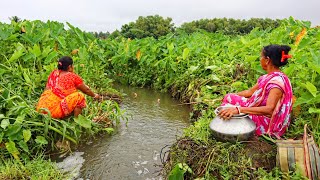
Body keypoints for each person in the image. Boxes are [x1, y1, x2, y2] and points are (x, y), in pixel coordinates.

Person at [218, 44, 293, 138]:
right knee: (228, 98)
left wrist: (238, 109)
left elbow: (269, 110)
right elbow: (250, 92)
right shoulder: (267, 77)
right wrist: (232, 96)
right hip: (260, 109)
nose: (260, 59)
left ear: (267, 60)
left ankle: (230, 127)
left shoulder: (276, 83)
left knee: (229, 110)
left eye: (261, 57)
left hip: (269, 123)